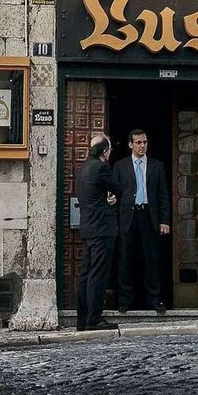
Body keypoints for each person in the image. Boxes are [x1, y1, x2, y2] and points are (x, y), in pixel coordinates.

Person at [116, 128, 170, 315]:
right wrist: (116, 222)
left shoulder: (157, 166)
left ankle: (155, 300)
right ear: (130, 144)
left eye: (145, 142)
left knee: (152, 260)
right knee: (125, 260)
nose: (142, 146)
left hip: (149, 216)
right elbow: (115, 195)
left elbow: (163, 195)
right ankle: (124, 301)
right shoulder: (120, 166)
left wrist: (164, 220)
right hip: (128, 217)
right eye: (138, 142)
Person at [76, 134, 123, 331]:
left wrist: (106, 198)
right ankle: (94, 318)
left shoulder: (83, 168)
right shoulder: (102, 168)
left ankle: (83, 319)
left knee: (86, 274)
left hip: (87, 227)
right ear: (105, 151)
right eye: (109, 149)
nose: (110, 152)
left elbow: (94, 195)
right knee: (98, 274)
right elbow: (119, 188)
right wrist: (112, 198)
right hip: (102, 228)